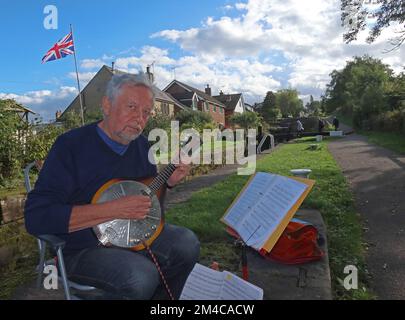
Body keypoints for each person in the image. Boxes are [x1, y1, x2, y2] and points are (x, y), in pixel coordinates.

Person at [24, 73, 200, 300]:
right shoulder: (70, 146)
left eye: (146, 112)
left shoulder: (142, 146)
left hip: (132, 237)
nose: (140, 118)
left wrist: (168, 182)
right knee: (140, 276)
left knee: (187, 244)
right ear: (107, 105)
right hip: (82, 248)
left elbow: (148, 205)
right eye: (132, 107)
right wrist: (113, 210)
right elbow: (37, 217)